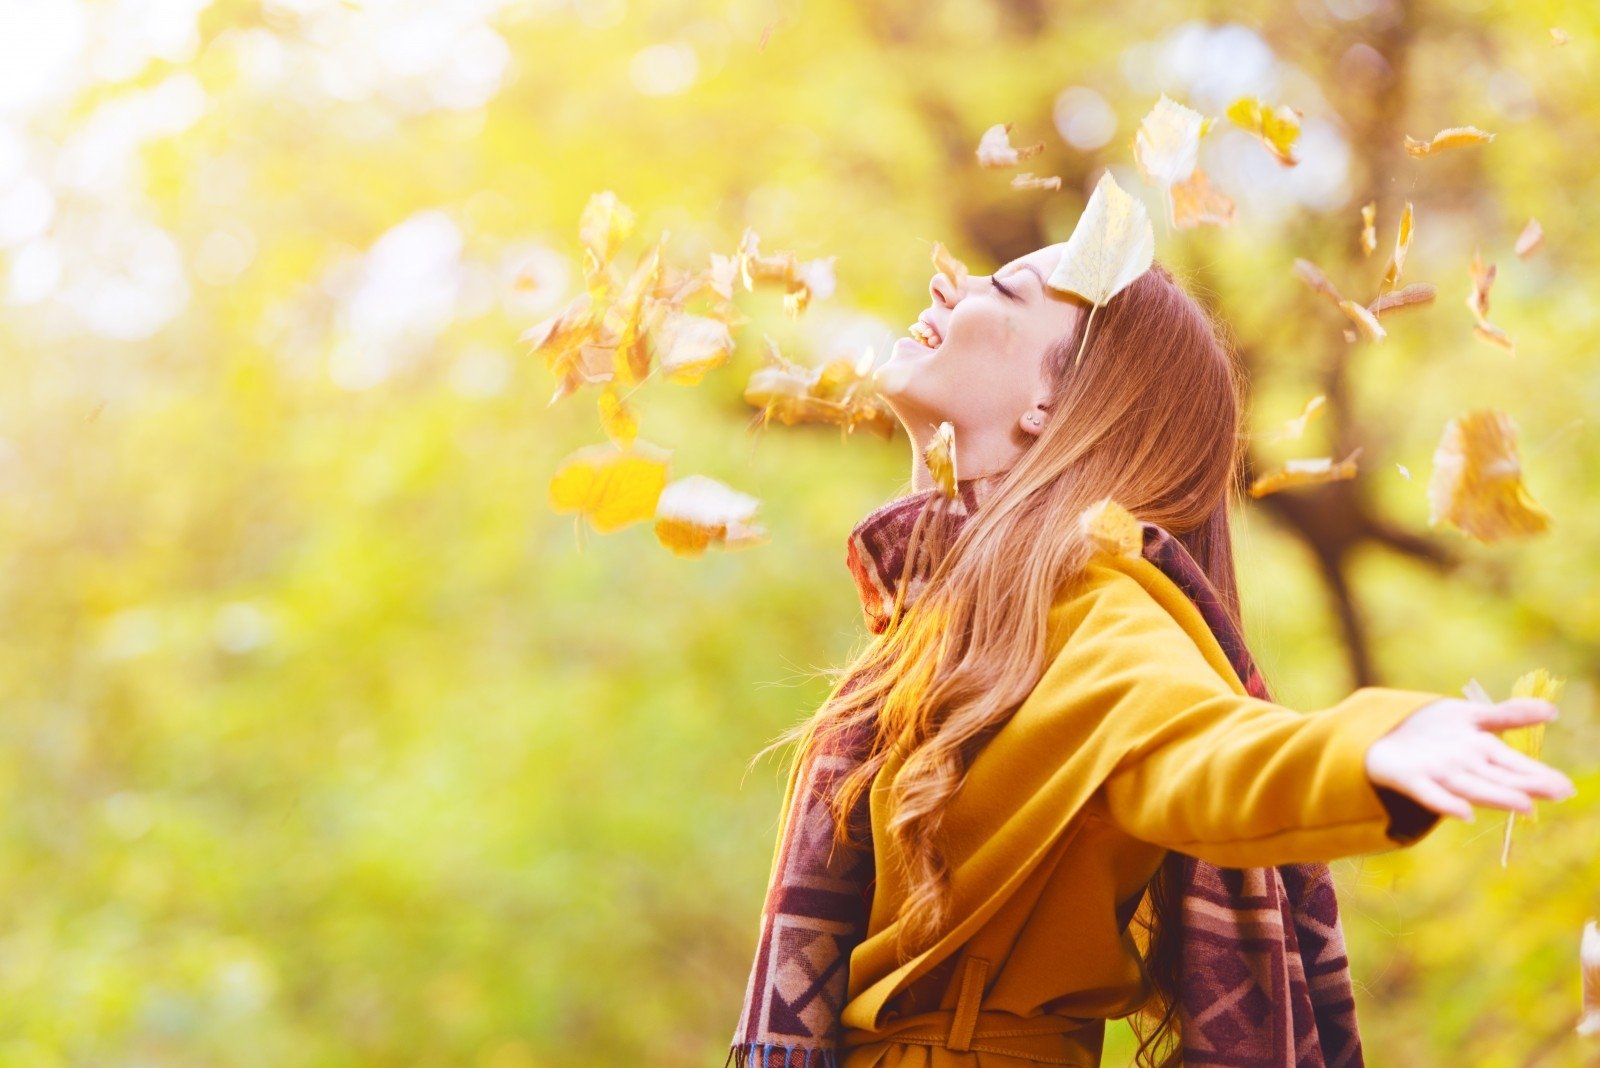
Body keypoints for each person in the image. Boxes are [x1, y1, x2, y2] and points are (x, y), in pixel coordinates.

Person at [729, 244, 1576, 1068]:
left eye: (1006, 288)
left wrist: (1370, 747)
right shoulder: (939, 622)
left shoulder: (1087, 601)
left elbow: (1203, 748)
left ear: (1048, 404)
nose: (950, 285)